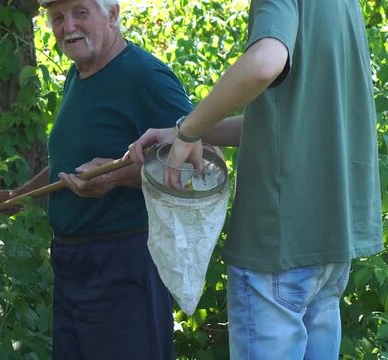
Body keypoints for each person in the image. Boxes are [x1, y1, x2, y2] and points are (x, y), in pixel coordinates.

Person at [126, 1, 383, 359]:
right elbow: (285, 126)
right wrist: (185, 131)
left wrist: (190, 130)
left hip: (277, 244)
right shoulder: (344, 5)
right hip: (330, 244)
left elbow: (264, 62)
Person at [0, 0, 193, 358]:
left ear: (112, 14)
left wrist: (117, 177)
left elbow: (195, 168)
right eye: (57, 18)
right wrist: (19, 196)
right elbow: (70, 165)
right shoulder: (76, 76)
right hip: (72, 263)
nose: (68, 26)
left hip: (125, 262)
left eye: (80, 12)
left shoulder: (145, 76)